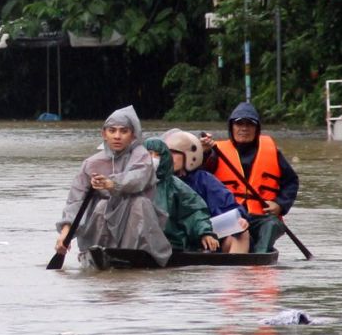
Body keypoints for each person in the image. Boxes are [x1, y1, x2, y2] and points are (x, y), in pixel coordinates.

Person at [54, 105, 171, 267]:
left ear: (132, 135)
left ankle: (138, 253)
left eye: (123, 131)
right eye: (112, 131)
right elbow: (76, 200)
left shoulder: (142, 156)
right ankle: (99, 251)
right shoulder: (91, 163)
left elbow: (137, 178)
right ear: (104, 134)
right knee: (102, 206)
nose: (117, 136)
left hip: (136, 218)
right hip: (101, 221)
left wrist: (111, 184)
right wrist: (66, 233)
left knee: (139, 203)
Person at [200, 101, 300, 253]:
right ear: (231, 127)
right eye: (239, 124)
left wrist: (280, 204)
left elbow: (291, 182)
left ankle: (259, 257)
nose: (244, 128)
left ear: (257, 128)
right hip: (228, 216)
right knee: (234, 233)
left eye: (249, 124)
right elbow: (199, 174)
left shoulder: (272, 152)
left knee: (272, 225)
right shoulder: (214, 152)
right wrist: (205, 152)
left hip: (262, 218)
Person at [162, 129, 249, 254]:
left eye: (173, 153)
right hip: (172, 237)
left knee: (241, 231)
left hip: (204, 235)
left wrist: (239, 219)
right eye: (165, 154)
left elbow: (231, 208)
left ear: (190, 155)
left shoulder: (204, 180)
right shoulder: (155, 180)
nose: (168, 158)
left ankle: (233, 270)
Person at [144, 137, 220, 253]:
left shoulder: (174, 185)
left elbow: (193, 212)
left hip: (170, 245)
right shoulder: (128, 182)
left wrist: (204, 233)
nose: (153, 159)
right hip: (135, 244)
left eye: (157, 155)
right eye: (148, 154)